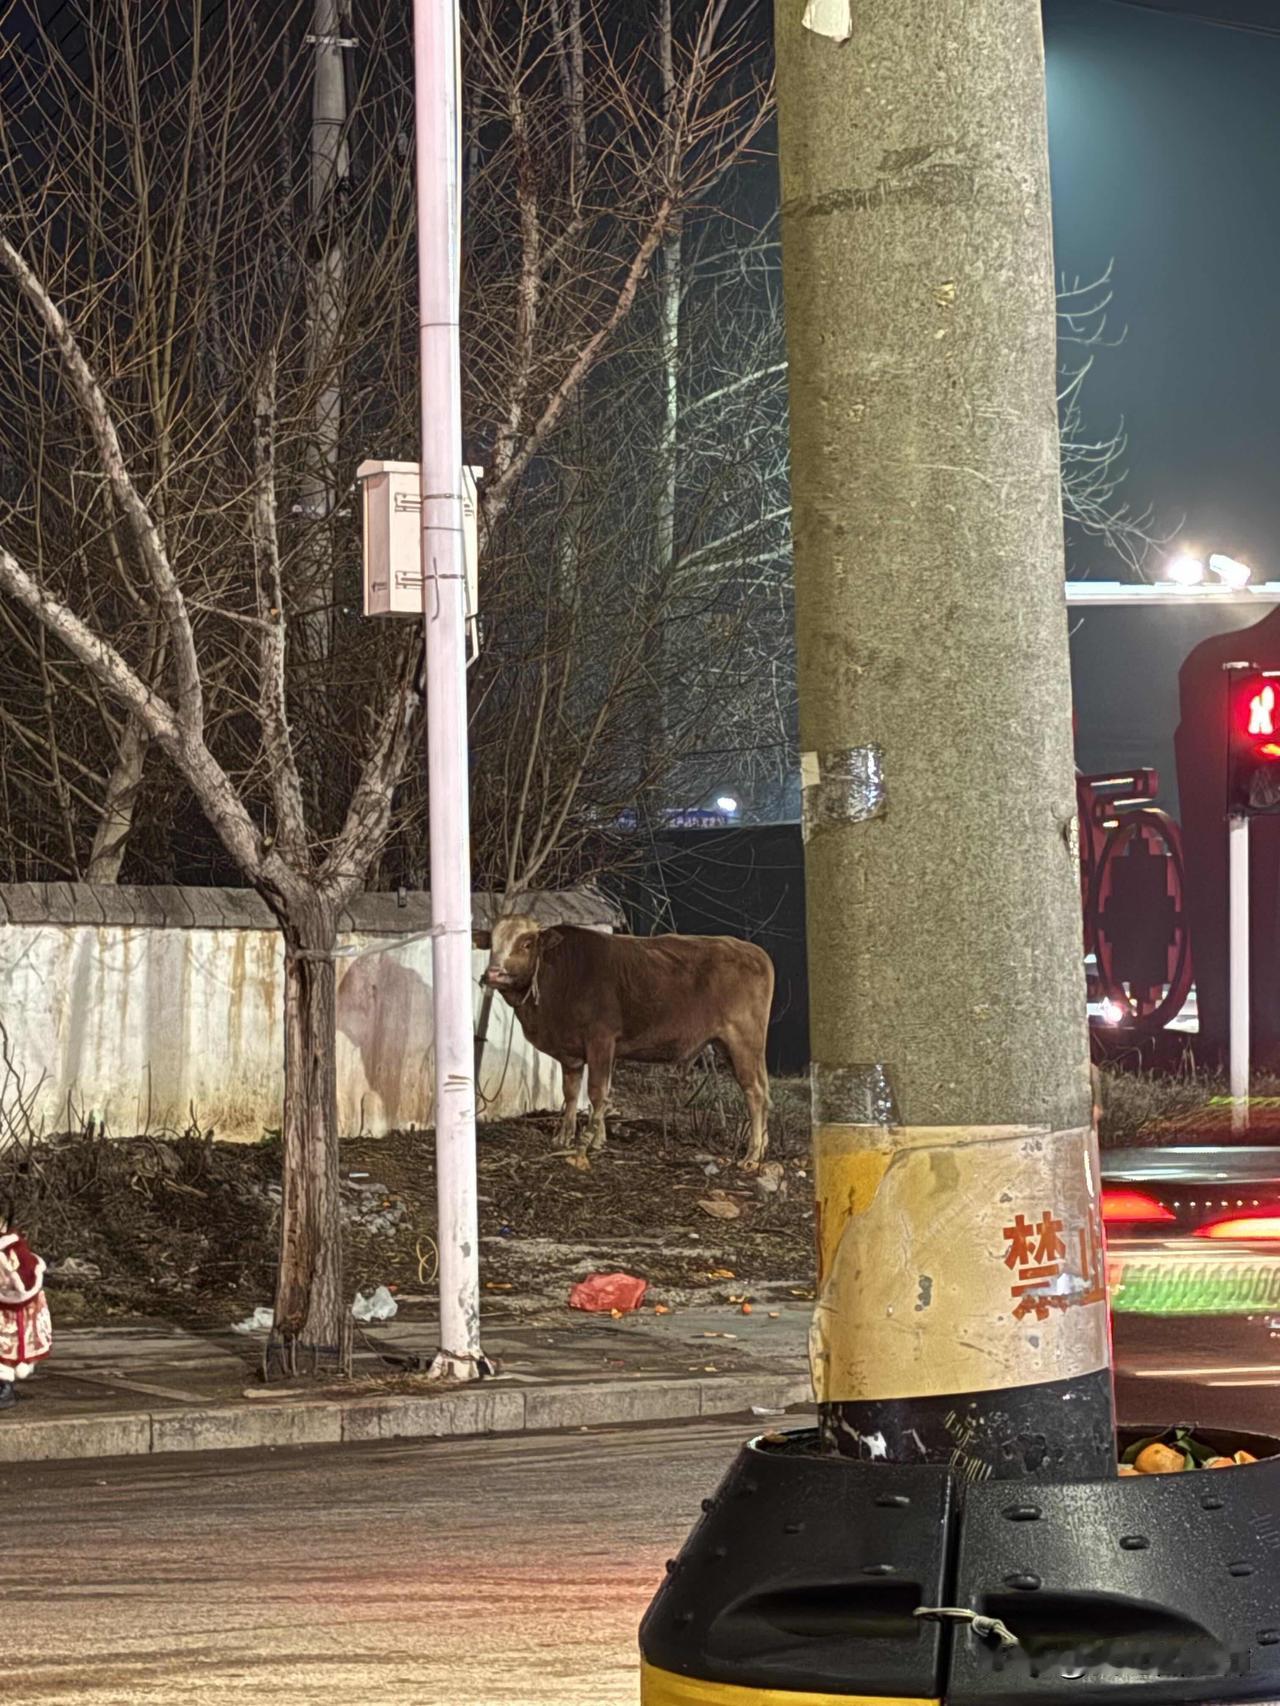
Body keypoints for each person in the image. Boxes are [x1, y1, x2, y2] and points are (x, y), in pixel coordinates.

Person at [0, 1201, 52, 1409]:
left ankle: (4, 1384)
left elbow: (26, 1281)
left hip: (10, 1309)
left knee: (5, 1346)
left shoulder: (13, 1249)